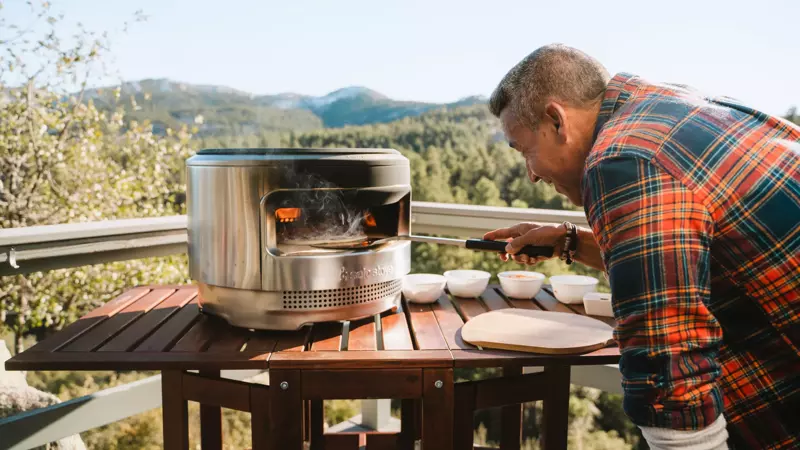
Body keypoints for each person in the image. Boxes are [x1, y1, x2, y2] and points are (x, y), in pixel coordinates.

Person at [484, 44, 800, 449]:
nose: (531, 175)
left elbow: (667, 375)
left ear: (556, 120)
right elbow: (686, 265)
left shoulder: (620, 161)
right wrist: (570, 242)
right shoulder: (668, 108)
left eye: (525, 150)